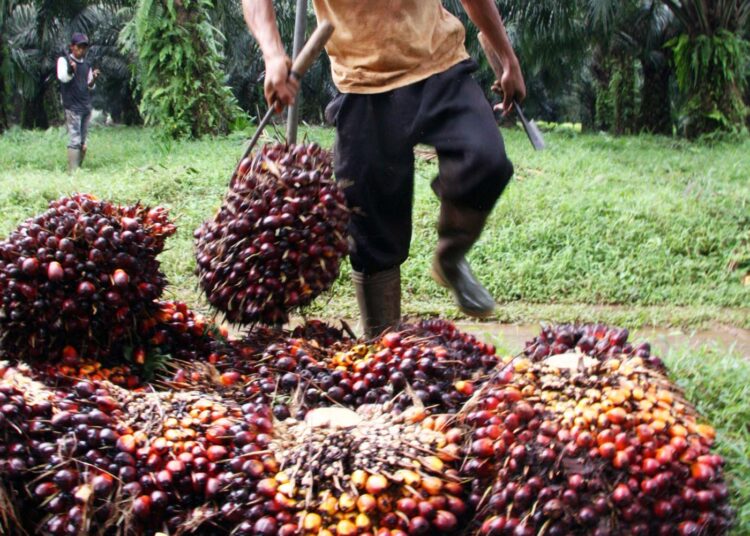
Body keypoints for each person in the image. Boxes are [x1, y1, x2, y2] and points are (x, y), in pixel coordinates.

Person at [242, 0, 526, 337]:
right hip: (363, 83)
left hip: (440, 63)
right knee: (369, 224)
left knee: (485, 160)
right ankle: (383, 344)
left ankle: (450, 256)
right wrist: (273, 54)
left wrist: (506, 57)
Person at [57, 32, 100, 172]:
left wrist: (94, 78)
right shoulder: (64, 61)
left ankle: (78, 168)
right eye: (79, 47)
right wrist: (71, 70)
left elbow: (90, 85)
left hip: (86, 106)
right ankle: (72, 171)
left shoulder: (87, 65)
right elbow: (63, 78)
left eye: (84, 47)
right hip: (72, 106)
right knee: (74, 139)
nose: (82, 50)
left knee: (83, 142)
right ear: (72, 47)